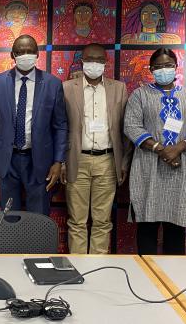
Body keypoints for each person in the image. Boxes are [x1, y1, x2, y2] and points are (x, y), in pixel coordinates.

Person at [124, 48, 186, 255]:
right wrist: (161, 149)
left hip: (180, 170)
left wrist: (178, 148)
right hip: (148, 168)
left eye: (168, 65)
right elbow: (131, 126)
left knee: (175, 230)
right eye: (159, 66)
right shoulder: (140, 95)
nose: (164, 70)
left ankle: (172, 280)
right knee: (147, 228)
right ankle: (146, 277)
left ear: (176, 67)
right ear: (151, 69)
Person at [0, 35, 68, 215]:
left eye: (30, 51)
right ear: (12, 55)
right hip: (7, 160)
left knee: (38, 218)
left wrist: (58, 161)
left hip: (40, 161)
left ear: (38, 54)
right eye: (21, 52)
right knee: (8, 217)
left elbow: (60, 125)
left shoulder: (53, 84)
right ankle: (10, 245)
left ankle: (37, 246)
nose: (25, 55)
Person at [61, 43, 131, 254]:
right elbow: (60, 127)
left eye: (99, 60)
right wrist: (62, 161)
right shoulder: (66, 88)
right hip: (77, 160)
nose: (94, 63)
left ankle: (97, 268)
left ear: (106, 63)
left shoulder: (118, 88)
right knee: (77, 221)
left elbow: (125, 130)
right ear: (82, 61)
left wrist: (124, 163)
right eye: (90, 59)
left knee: (102, 221)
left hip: (107, 161)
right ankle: (78, 268)